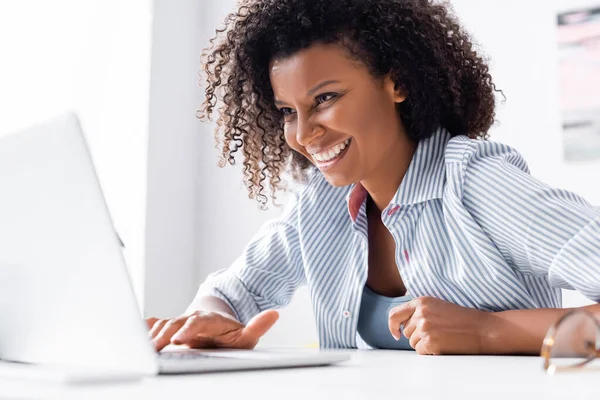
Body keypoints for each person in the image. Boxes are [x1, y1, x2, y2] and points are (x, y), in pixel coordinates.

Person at [146, 0, 600, 355]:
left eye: (325, 98)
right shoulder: (320, 203)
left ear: (397, 83)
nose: (303, 134)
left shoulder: (478, 184)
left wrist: (489, 330)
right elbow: (232, 291)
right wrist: (206, 321)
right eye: (288, 111)